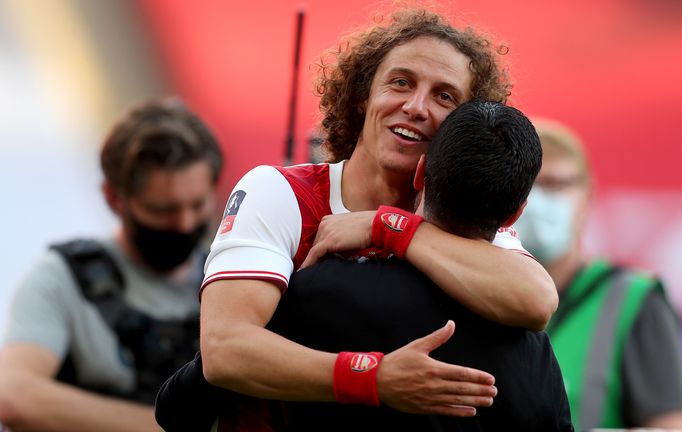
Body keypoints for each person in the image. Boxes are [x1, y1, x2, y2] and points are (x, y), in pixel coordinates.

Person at [183, 6, 557, 430]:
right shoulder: (281, 192)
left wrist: (387, 228)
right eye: (400, 82)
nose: (416, 107)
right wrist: (373, 378)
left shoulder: (464, 218)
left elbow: (536, 302)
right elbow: (225, 350)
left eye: (444, 96)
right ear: (363, 94)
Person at [0, 98, 222, 432]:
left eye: (197, 204)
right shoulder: (60, 279)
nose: (184, 223)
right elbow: (14, 395)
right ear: (113, 198)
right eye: (163, 209)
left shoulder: (231, 278)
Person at [513, 118, 682, 430]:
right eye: (527, 185)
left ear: (587, 196)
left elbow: (671, 427)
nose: (538, 201)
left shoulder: (635, 300)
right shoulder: (474, 295)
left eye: (555, 185)